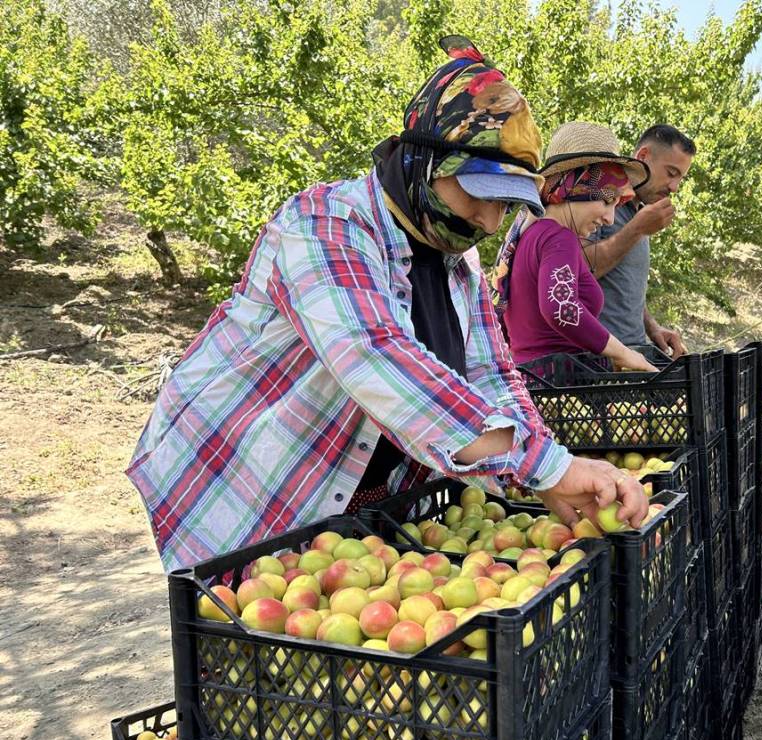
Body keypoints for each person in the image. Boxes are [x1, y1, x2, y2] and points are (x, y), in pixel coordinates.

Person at [126, 38, 648, 571]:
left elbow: (491, 374)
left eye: (505, 205)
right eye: (480, 195)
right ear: (424, 162)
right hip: (252, 484)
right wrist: (547, 466)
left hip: (364, 488)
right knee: (260, 638)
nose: (491, 223)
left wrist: (540, 473)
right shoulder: (326, 225)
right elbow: (377, 357)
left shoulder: (455, 263)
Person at [494, 121, 658, 371]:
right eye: (606, 202)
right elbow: (561, 307)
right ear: (575, 188)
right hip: (558, 386)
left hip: (532, 381)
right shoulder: (559, 238)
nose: (609, 218)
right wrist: (623, 354)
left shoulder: (528, 235)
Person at [582, 124, 696, 358]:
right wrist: (637, 229)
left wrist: (652, 327)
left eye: (680, 179)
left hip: (633, 353)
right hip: (596, 363)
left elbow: (621, 282)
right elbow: (576, 271)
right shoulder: (599, 197)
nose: (674, 187)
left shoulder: (639, 212)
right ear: (642, 156)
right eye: (671, 173)